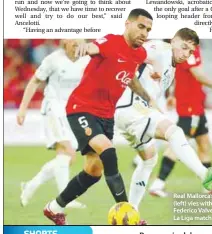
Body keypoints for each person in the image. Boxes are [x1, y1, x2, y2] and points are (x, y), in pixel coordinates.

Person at [43, 8, 154, 225]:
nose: (144, 32)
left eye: (148, 29)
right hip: (82, 108)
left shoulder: (139, 54)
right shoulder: (110, 41)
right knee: (109, 152)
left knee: (93, 171)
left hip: (106, 116)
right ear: (128, 24)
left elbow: (129, 76)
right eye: (141, 26)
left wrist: (145, 95)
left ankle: (53, 208)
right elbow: (92, 47)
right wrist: (82, 46)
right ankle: (127, 215)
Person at [114, 28, 212, 211]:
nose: (186, 54)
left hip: (135, 113)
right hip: (131, 110)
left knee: (149, 160)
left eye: (190, 51)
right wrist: (132, 67)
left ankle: (132, 212)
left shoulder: (171, 65)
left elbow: (155, 77)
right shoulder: (160, 48)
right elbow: (130, 53)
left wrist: (168, 94)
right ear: (174, 41)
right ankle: (205, 176)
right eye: (183, 47)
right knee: (174, 132)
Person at [148, 44, 212, 197]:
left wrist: (171, 94)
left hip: (196, 107)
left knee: (204, 145)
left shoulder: (182, 50)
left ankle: (208, 186)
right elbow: (197, 74)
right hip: (190, 108)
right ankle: (158, 184)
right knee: (177, 146)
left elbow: (175, 73)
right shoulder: (189, 49)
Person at [17, 39, 89, 208]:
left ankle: (30, 185)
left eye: (80, 43)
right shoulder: (53, 59)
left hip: (72, 111)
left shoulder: (86, 60)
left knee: (64, 159)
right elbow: (35, 81)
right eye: (74, 44)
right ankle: (65, 198)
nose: (77, 47)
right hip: (53, 108)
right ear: (65, 44)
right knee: (69, 152)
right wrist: (22, 108)